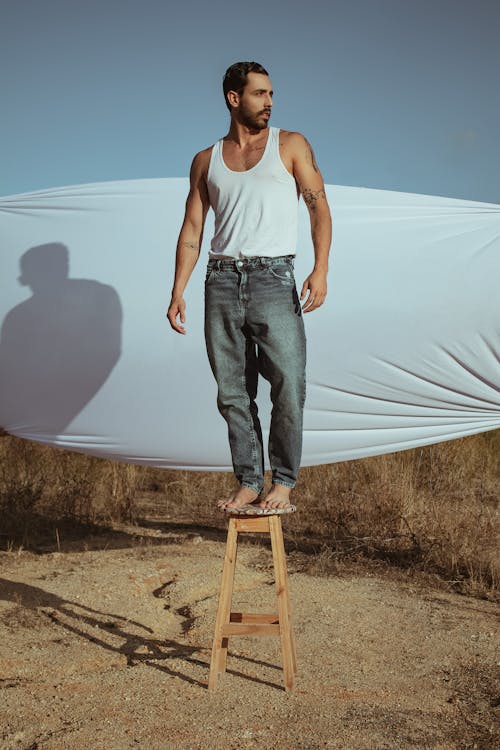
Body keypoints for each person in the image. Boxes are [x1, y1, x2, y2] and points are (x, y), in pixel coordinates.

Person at [167, 61, 332, 511]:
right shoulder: (206, 160)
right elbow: (192, 230)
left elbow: (318, 207)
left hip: (275, 279)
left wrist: (321, 268)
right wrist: (178, 289)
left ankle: (282, 480)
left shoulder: (291, 145)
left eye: (272, 94)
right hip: (220, 281)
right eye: (260, 94)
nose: (270, 102)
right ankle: (248, 480)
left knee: (288, 384)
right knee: (233, 393)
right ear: (233, 98)